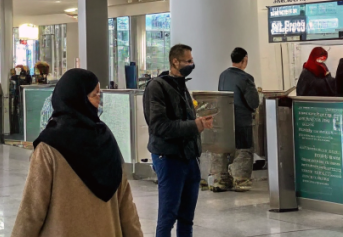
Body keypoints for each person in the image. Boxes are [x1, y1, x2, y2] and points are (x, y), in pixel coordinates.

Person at [11, 69, 143, 237]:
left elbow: (32, 211)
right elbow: (127, 209)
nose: (99, 102)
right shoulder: (104, 140)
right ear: (78, 98)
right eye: (95, 95)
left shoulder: (49, 146)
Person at [143, 44, 214, 237]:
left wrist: (198, 123)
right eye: (188, 61)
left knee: (186, 218)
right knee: (167, 217)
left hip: (189, 158)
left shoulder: (182, 86)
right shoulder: (157, 87)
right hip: (169, 158)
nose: (192, 64)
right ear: (175, 61)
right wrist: (194, 125)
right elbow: (159, 126)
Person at [213, 47, 260, 192]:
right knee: (243, 151)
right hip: (241, 121)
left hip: (224, 119)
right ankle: (240, 180)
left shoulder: (223, 75)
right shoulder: (246, 78)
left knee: (223, 150)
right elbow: (253, 102)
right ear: (245, 59)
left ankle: (220, 180)